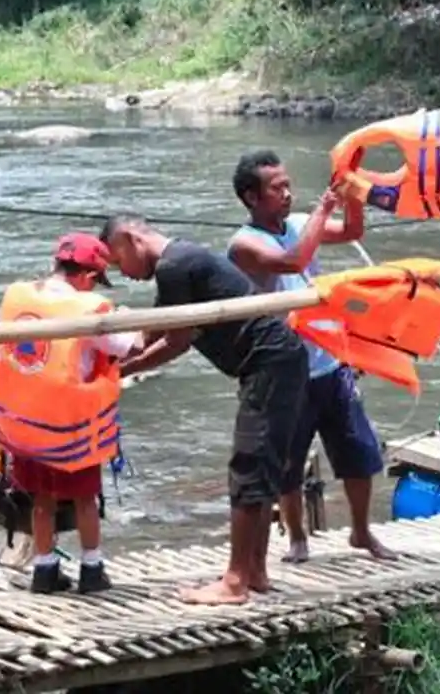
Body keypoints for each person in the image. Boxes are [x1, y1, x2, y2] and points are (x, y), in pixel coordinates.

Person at [102, 213, 310, 605]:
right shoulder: (182, 258)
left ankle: (234, 582)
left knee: (248, 467)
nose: (123, 273)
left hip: (269, 363)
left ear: (130, 239)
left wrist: (121, 373)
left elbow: (176, 341)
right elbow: (157, 330)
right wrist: (117, 356)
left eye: (117, 261)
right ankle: (255, 572)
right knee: (261, 466)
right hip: (279, 361)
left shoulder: (173, 266)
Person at [226, 150, 391, 563]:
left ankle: (361, 532)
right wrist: (323, 209)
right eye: (276, 188)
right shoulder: (244, 243)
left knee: (358, 451)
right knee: (287, 462)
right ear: (251, 197)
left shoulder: (300, 222)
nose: (287, 193)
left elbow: (353, 231)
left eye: (287, 185)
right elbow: (293, 259)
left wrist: (351, 191)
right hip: (285, 369)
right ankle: (297, 537)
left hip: (329, 361)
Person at [0, 233, 141, 595]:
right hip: (68, 426)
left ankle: (44, 569)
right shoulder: (88, 307)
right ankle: (92, 569)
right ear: (87, 276)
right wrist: (131, 319)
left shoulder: (18, 296)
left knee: (41, 499)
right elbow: (129, 344)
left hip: (25, 424)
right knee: (85, 498)